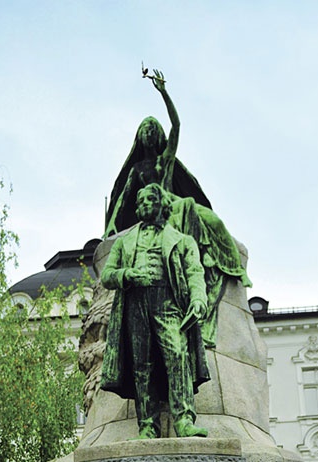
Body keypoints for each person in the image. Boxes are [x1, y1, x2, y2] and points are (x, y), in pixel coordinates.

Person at [104, 69, 251, 349]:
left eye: (152, 130)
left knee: (213, 220)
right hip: (161, 216)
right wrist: (112, 224)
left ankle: (233, 265)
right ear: (139, 137)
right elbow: (123, 198)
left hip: (177, 206)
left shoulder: (165, 161)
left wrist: (164, 93)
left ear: (157, 135)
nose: (149, 134)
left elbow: (178, 126)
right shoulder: (138, 169)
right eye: (144, 130)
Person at [101, 183, 210, 439]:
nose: (144, 205)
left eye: (150, 199)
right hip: (136, 304)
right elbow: (107, 275)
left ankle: (184, 419)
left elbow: (195, 272)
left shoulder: (182, 240)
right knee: (142, 365)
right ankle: (148, 425)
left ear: (161, 203)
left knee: (178, 356)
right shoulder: (125, 242)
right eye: (140, 201)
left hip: (168, 302)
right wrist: (126, 274)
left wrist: (199, 300)